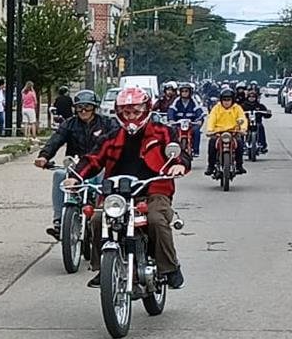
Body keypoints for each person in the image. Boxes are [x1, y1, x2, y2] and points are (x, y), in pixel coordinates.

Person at [67, 86, 190, 289]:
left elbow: (179, 153)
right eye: (126, 112)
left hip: (154, 189)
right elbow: (93, 159)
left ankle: (170, 267)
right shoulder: (111, 137)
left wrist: (179, 164)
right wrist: (75, 176)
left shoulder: (162, 132)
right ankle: (103, 269)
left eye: (135, 111)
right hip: (117, 193)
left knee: (156, 220)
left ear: (146, 110)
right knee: (97, 219)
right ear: (119, 112)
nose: (131, 116)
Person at [34, 89, 117, 240]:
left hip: (99, 166)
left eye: (88, 106)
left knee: (105, 178)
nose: (83, 110)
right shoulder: (69, 124)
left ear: (95, 107)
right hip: (75, 166)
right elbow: (56, 139)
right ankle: (59, 220)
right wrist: (44, 156)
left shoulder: (107, 123)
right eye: (79, 107)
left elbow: (117, 141)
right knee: (59, 175)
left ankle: (105, 214)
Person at [204, 88, 248, 176]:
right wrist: (210, 130)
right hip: (219, 132)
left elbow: (242, 118)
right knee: (212, 143)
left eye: (229, 99)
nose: (226, 102)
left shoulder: (237, 108)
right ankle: (211, 166)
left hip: (233, 132)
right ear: (221, 100)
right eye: (224, 99)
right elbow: (211, 119)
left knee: (239, 142)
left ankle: (239, 165)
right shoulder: (216, 108)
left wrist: (243, 129)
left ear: (232, 100)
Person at [167, 82, 205, 157]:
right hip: (178, 124)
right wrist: (171, 119)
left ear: (190, 92)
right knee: (171, 131)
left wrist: (199, 119)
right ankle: (172, 149)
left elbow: (199, 111)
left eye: (186, 91)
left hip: (191, 124)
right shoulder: (176, 101)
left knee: (197, 131)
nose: (184, 93)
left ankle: (195, 150)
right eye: (183, 91)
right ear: (180, 92)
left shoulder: (194, 101)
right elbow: (171, 110)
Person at [240, 88, 271, 154]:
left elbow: (266, 114)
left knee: (260, 127)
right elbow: (237, 113)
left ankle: (262, 145)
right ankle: (241, 145)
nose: (251, 98)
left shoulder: (260, 106)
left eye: (253, 97)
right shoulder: (243, 106)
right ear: (247, 97)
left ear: (256, 98)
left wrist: (268, 113)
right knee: (241, 129)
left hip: (257, 123)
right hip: (246, 123)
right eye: (250, 97)